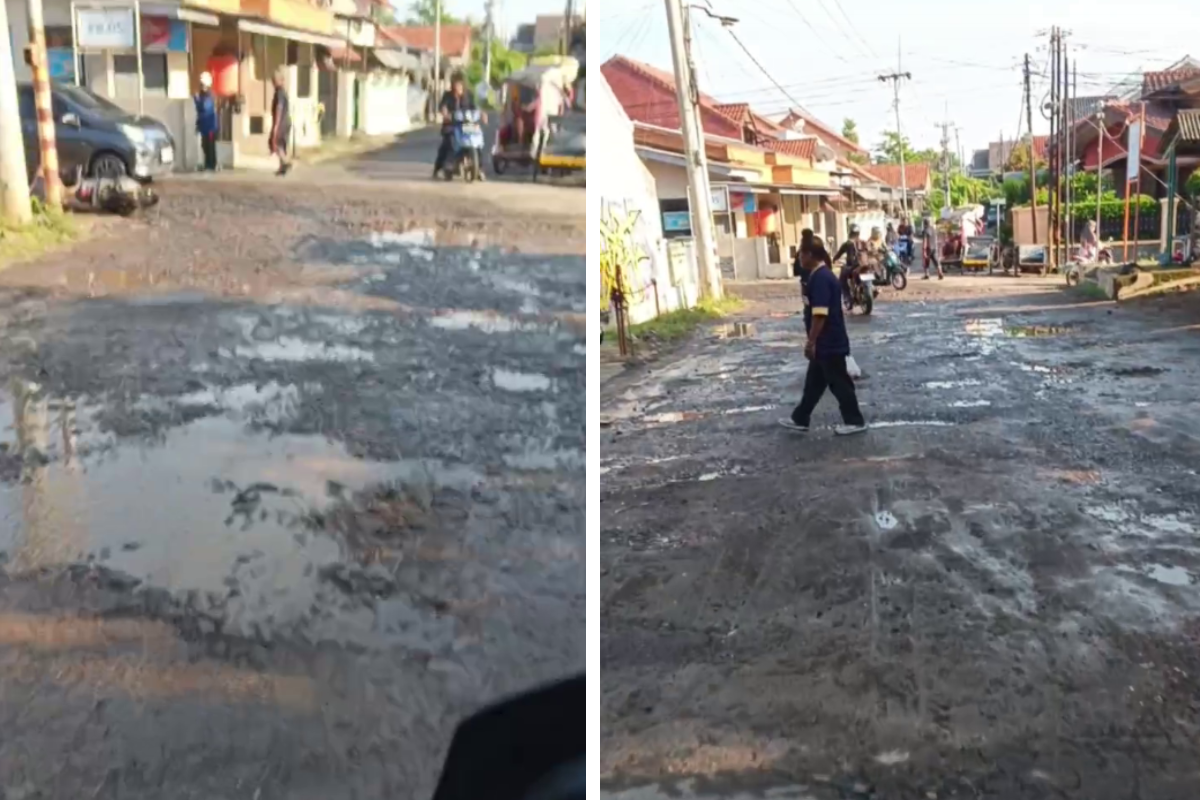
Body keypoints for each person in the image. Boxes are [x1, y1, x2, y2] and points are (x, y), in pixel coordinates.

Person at [779, 239, 868, 436]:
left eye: (801, 254)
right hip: (826, 342)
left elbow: (820, 314)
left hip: (829, 342)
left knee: (839, 382)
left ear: (810, 255)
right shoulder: (819, 275)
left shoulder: (821, 278)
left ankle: (855, 420)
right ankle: (800, 418)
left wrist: (811, 342)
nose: (799, 259)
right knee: (814, 384)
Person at [434, 72, 484, 179]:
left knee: (477, 141)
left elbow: (475, 108)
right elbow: (443, 106)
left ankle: (479, 168)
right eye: (456, 84)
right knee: (449, 141)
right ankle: (442, 167)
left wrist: (482, 114)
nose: (458, 87)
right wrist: (445, 113)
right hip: (452, 125)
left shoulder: (469, 95)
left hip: (466, 125)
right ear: (452, 85)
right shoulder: (447, 95)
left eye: (460, 84)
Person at [268, 70, 291, 176]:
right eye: (272, 80)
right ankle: (282, 168)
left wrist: (276, 126)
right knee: (280, 144)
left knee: (275, 143)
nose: (273, 82)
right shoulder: (281, 91)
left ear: (281, 80)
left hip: (281, 122)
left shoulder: (280, 92)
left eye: (275, 80)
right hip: (285, 121)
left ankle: (286, 162)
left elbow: (279, 108)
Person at [194, 72, 218, 172]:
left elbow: (204, 108)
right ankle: (207, 164)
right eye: (201, 85)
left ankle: (211, 165)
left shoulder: (209, 96)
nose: (202, 87)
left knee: (210, 146)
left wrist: (196, 100)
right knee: (204, 146)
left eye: (203, 85)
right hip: (204, 126)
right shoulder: (202, 95)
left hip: (210, 127)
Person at [834, 224, 864, 301]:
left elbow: (838, 254)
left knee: (842, 279)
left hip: (852, 266)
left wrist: (834, 260)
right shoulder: (863, 242)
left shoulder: (847, 243)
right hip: (864, 266)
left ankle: (847, 296)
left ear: (850, 232)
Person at [921, 215, 943, 280]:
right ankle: (940, 273)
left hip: (928, 248)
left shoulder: (925, 230)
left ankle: (927, 274)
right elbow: (936, 238)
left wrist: (924, 250)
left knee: (926, 261)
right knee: (936, 261)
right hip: (934, 248)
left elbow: (925, 240)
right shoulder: (933, 229)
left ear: (924, 223)